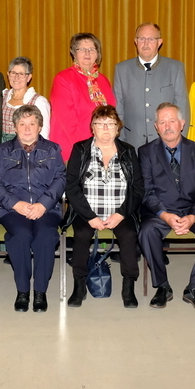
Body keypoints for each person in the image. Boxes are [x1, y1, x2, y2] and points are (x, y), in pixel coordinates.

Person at [138, 103, 195, 311]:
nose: (167, 126)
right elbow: (146, 192)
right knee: (147, 232)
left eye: (172, 121)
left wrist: (193, 217)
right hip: (160, 211)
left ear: (182, 123)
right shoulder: (146, 152)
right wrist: (165, 215)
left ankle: (194, 288)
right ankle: (162, 286)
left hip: (191, 209)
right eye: (162, 122)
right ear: (156, 127)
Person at [64, 105, 143, 308]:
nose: (105, 128)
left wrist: (120, 214)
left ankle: (128, 286)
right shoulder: (80, 150)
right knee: (81, 235)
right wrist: (90, 217)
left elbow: (137, 188)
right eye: (100, 123)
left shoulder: (128, 151)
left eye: (110, 124)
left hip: (120, 212)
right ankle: (79, 285)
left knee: (129, 235)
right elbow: (71, 187)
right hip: (87, 213)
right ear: (92, 128)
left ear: (118, 128)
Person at [0, 105, 65, 312]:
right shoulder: (3, 151)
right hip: (13, 209)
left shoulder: (53, 149)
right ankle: (22, 290)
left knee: (46, 236)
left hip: (47, 209)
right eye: (22, 124)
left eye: (32, 123)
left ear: (40, 126)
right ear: (15, 127)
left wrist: (43, 204)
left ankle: (40, 291)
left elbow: (60, 178)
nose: (27, 128)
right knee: (20, 235)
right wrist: (15, 203)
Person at [114, 22, 189, 146]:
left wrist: (179, 143)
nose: (146, 43)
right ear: (135, 41)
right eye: (141, 39)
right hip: (132, 143)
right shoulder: (122, 69)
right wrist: (120, 142)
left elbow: (182, 107)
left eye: (151, 39)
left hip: (166, 142)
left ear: (159, 42)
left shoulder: (175, 68)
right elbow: (118, 110)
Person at [50, 33, 116, 162]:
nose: (87, 53)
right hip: (73, 152)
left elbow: (112, 117)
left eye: (92, 49)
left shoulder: (103, 81)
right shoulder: (63, 79)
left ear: (97, 54)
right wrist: (86, 150)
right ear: (74, 53)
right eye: (82, 49)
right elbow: (68, 122)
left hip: (101, 149)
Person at [1, 57, 51, 142]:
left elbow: (44, 134)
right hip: (2, 147)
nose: (16, 77)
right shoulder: (2, 96)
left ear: (29, 77)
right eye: (13, 73)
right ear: (8, 75)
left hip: (26, 147)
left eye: (21, 74)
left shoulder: (39, 101)